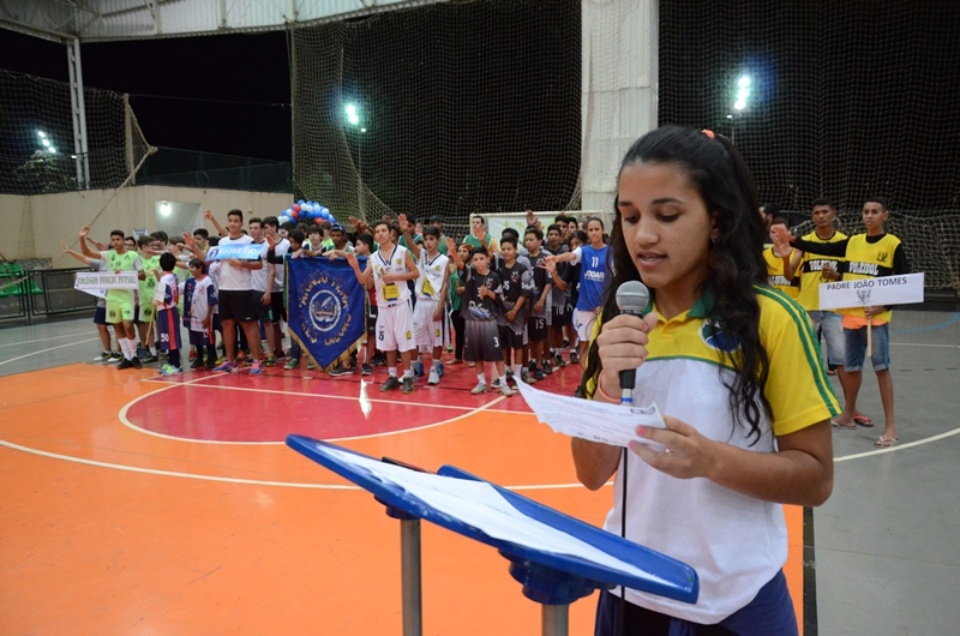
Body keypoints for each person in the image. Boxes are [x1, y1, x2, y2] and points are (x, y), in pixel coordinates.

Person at [577, 126, 836, 634]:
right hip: (632, 589)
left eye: (667, 215)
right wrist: (608, 384)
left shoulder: (772, 320)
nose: (643, 235)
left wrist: (710, 460)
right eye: (629, 217)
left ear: (716, 218)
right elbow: (590, 473)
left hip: (735, 602)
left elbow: (816, 478)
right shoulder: (617, 323)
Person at [777, 197, 907, 447]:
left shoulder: (892, 244)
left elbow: (904, 283)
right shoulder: (853, 242)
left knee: (881, 368)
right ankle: (848, 414)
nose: (869, 216)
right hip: (850, 316)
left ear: (885, 216)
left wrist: (883, 306)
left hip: (875, 318)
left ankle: (890, 427)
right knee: (852, 367)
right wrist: (792, 241)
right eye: (865, 211)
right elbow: (822, 249)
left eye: (874, 212)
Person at [345, 221, 420, 393]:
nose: (380, 234)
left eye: (383, 230)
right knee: (388, 343)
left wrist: (395, 276)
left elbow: (416, 273)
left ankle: (408, 376)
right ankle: (393, 376)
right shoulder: (373, 258)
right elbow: (363, 280)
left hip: (401, 302)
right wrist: (356, 266)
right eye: (377, 231)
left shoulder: (402, 252)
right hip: (383, 305)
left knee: (405, 342)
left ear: (389, 233)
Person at [785, 198, 850, 379]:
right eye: (816, 213)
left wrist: (836, 276)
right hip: (809, 306)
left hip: (835, 309)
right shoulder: (804, 242)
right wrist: (784, 258)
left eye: (824, 212)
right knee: (806, 358)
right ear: (812, 217)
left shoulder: (845, 242)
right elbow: (790, 274)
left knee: (841, 359)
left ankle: (848, 406)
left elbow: (851, 278)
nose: (821, 216)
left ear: (834, 213)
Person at [450, 244, 515, 397]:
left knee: (497, 354)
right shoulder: (469, 274)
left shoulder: (494, 276)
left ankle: (503, 383)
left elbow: (501, 299)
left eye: (481, 259)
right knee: (475, 354)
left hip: (489, 321)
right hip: (472, 321)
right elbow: (460, 264)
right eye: (476, 259)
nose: (478, 262)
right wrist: (453, 251)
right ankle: (481, 382)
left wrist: (489, 293)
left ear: (487, 260)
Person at [206, 209, 265, 375]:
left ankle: (256, 361)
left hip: (242, 289)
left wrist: (241, 264)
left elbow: (259, 265)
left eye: (236, 221)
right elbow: (207, 258)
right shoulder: (223, 242)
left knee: (249, 325)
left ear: (241, 223)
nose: (233, 223)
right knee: (227, 324)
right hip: (224, 289)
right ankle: (230, 361)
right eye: (230, 220)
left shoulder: (249, 242)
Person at [545, 217, 610, 367]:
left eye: (596, 229)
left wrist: (605, 304)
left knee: (602, 348)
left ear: (603, 231)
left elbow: (613, 282)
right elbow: (571, 255)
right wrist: (557, 258)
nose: (594, 232)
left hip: (603, 309)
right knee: (584, 347)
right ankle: (585, 384)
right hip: (584, 307)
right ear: (587, 233)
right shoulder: (584, 251)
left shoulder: (610, 252)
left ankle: (599, 385)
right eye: (591, 230)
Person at [79, 226, 145, 369]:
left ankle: (134, 355)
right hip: (112, 296)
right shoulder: (109, 254)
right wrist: (81, 238)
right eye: (113, 240)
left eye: (118, 239)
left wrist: (126, 274)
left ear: (123, 240)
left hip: (127, 295)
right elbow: (87, 253)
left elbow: (143, 275)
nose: (115, 242)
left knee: (128, 324)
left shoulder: (133, 256)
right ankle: (127, 357)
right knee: (117, 325)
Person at [400, 214, 450, 385]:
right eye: (426, 239)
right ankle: (414, 367)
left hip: (435, 304)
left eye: (431, 239)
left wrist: (441, 307)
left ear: (437, 241)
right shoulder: (420, 255)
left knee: (437, 339)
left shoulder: (444, 261)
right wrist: (405, 231)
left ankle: (435, 368)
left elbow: (444, 285)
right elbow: (411, 244)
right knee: (414, 337)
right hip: (420, 303)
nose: (428, 242)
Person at [182, 258, 218, 370]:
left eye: (193, 267)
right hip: (192, 316)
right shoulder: (189, 282)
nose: (191, 270)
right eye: (190, 267)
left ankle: (212, 358)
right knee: (195, 338)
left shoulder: (207, 281)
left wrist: (208, 316)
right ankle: (199, 358)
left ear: (200, 268)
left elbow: (211, 300)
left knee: (208, 338)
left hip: (204, 315)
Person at [153, 252, 183, 376]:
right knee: (168, 337)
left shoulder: (164, 280)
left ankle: (176, 365)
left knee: (171, 339)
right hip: (170, 310)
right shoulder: (173, 276)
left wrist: (155, 300)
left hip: (167, 310)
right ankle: (172, 363)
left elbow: (163, 297)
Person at [762, 216, 800, 299]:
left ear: (789, 232)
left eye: (781, 231)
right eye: (773, 232)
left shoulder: (798, 253)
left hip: (793, 305)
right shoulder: (763, 255)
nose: (777, 235)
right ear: (769, 234)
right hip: (771, 304)